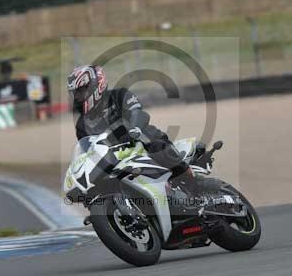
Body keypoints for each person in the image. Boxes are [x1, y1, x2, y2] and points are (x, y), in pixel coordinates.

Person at [67, 64, 198, 197]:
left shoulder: (120, 95)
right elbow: (88, 149)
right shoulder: (82, 125)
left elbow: (137, 113)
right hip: (114, 157)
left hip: (142, 142)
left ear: (97, 85)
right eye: (75, 94)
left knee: (156, 145)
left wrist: (131, 129)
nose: (78, 97)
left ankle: (189, 178)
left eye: (81, 91)